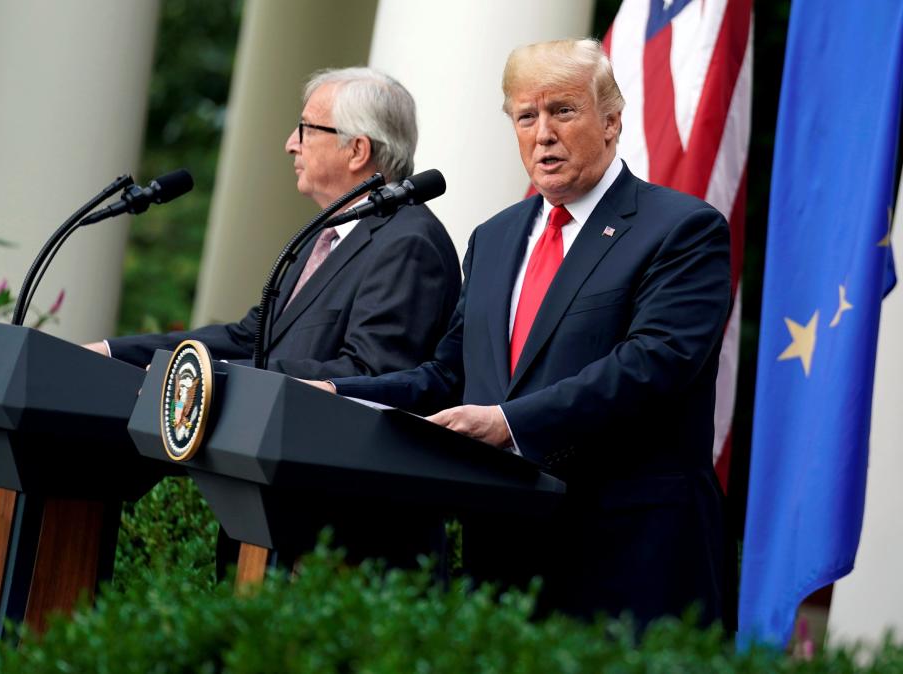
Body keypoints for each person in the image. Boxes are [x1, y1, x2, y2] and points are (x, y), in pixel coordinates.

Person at [309, 39, 732, 628]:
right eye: (525, 116)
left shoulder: (682, 229)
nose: (543, 134)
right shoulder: (495, 237)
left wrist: (510, 423)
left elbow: (652, 364)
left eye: (562, 111)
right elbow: (449, 374)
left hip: (631, 556)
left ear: (611, 122)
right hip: (503, 556)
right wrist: (344, 398)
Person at [86, 67, 462, 566]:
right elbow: (249, 340)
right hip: (272, 516)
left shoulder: (408, 241)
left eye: (306, 128)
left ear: (358, 150)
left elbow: (368, 377)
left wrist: (218, 382)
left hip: (344, 541)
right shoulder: (322, 235)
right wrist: (115, 355)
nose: (291, 143)